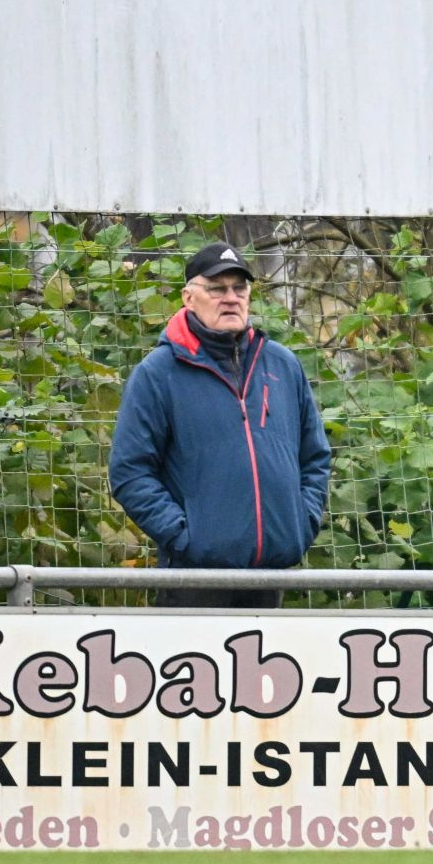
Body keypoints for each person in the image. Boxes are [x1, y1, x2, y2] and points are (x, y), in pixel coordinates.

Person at [109, 241, 331, 608]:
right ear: (188, 297)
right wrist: (188, 539)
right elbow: (129, 472)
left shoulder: (283, 365)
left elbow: (315, 458)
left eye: (239, 288)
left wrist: (300, 525)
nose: (231, 298)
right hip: (194, 580)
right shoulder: (158, 373)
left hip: (271, 575)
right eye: (217, 288)